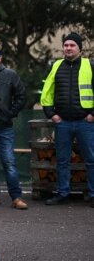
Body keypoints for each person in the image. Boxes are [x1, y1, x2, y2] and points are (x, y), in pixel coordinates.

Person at [40, 32, 94, 207]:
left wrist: (92, 114)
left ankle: (93, 194)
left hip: (85, 122)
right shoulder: (56, 66)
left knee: (91, 159)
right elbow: (47, 92)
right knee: (62, 160)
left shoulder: (90, 65)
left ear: (80, 48)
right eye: (66, 45)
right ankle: (63, 193)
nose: (68, 48)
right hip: (62, 122)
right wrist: (51, 114)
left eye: (72, 45)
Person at [0, 46, 28, 210]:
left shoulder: (10, 75)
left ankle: (16, 197)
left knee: (9, 162)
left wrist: (11, 113)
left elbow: (22, 95)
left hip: (4, 127)